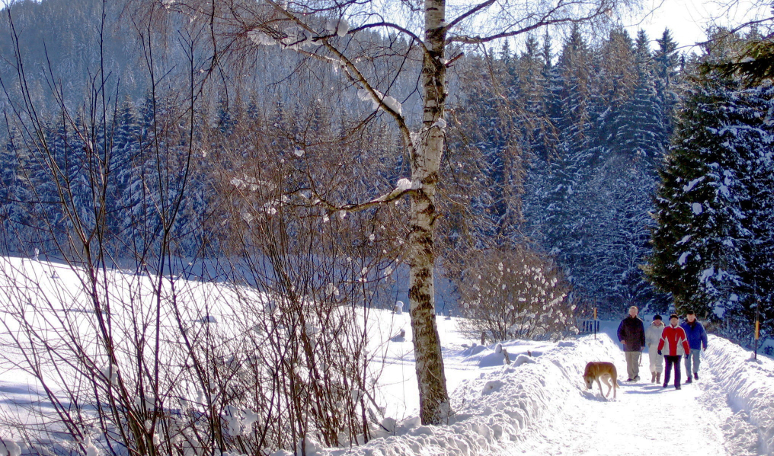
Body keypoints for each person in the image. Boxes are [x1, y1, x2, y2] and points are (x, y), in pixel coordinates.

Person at [657, 314, 690, 390]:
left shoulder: (681, 330)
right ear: (670, 321)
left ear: (677, 321)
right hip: (667, 353)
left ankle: (677, 384)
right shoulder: (666, 329)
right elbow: (662, 340)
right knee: (668, 368)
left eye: (675, 320)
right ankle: (666, 382)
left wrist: (687, 352)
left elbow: (685, 341)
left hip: (678, 353)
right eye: (672, 320)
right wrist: (659, 348)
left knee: (677, 368)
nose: (674, 321)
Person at [617, 306, 645, 381]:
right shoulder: (625, 321)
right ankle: (630, 376)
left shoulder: (639, 322)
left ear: (637, 312)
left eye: (634, 311)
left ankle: (636, 375)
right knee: (629, 361)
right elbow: (619, 331)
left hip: (636, 345)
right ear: (629, 312)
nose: (633, 313)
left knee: (635, 361)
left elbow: (642, 334)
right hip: (627, 344)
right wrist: (621, 339)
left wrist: (643, 344)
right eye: (631, 311)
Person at [680, 310, 708, 383]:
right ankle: (689, 376)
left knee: (696, 361)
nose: (691, 318)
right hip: (686, 347)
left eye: (692, 316)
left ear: (694, 316)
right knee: (687, 362)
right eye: (689, 317)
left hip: (696, 346)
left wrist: (705, 344)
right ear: (687, 317)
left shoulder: (699, 325)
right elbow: (679, 336)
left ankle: (695, 372)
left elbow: (703, 335)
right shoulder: (683, 325)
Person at [645, 314, 665, 384]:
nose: (657, 321)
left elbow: (666, 338)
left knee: (659, 362)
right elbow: (647, 338)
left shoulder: (664, 328)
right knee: (652, 363)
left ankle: (658, 377)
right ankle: (653, 374)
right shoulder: (650, 328)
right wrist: (649, 344)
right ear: (654, 320)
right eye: (656, 320)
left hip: (661, 348)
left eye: (658, 320)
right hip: (652, 347)